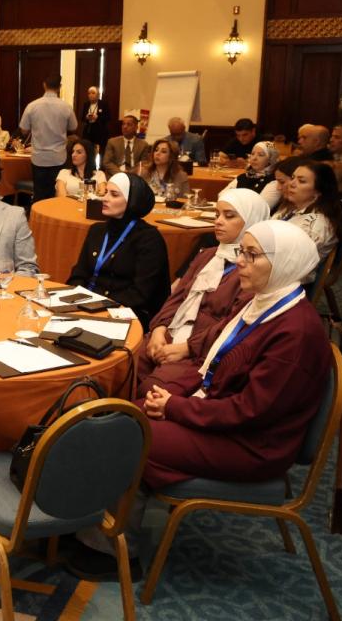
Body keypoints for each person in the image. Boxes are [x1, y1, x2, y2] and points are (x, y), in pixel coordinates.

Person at [140, 220, 331, 489]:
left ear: (285, 263)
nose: (239, 261)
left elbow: (251, 411)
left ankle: (122, 508)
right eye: (241, 251)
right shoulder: (259, 301)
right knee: (126, 416)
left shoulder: (296, 333)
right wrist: (171, 396)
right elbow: (213, 367)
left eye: (251, 254)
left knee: (131, 435)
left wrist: (175, 407)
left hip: (253, 444)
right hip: (221, 415)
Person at [136, 189, 271, 399]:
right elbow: (177, 298)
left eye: (229, 216)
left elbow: (234, 324)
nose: (218, 221)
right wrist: (159, 330)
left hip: (205, 351)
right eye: (217, 214)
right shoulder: (208, 255)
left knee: (153, 389)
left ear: (252, 221)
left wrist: (187, 348)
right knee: (125, 363)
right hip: (175, 331)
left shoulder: (252, 269)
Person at [67, 173, 170, 325]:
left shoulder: (149, 239)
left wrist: (98, 306)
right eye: (105, 192)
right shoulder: (96, 230)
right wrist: (73, 301)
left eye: (114, 194)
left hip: (126, 311)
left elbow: (140, 294)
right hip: (86, 305)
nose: (105, 198)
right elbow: (79, 274)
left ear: (132, 201)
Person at [18, 75, 78, 204]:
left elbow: (23, 129)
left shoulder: (32, 106)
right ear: (59, 87)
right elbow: (73, 127)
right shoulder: (66, 107)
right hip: (58, 157)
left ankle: (38, 215)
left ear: (44, 85)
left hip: (39, 157)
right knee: (56, 193)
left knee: (39, 193)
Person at [271, 160, 340, 263]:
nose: (291, 183)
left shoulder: (315, 226)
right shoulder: (290, 208)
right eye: (293, 178)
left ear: (318, 191)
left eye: (301, 181)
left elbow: (289, 261)